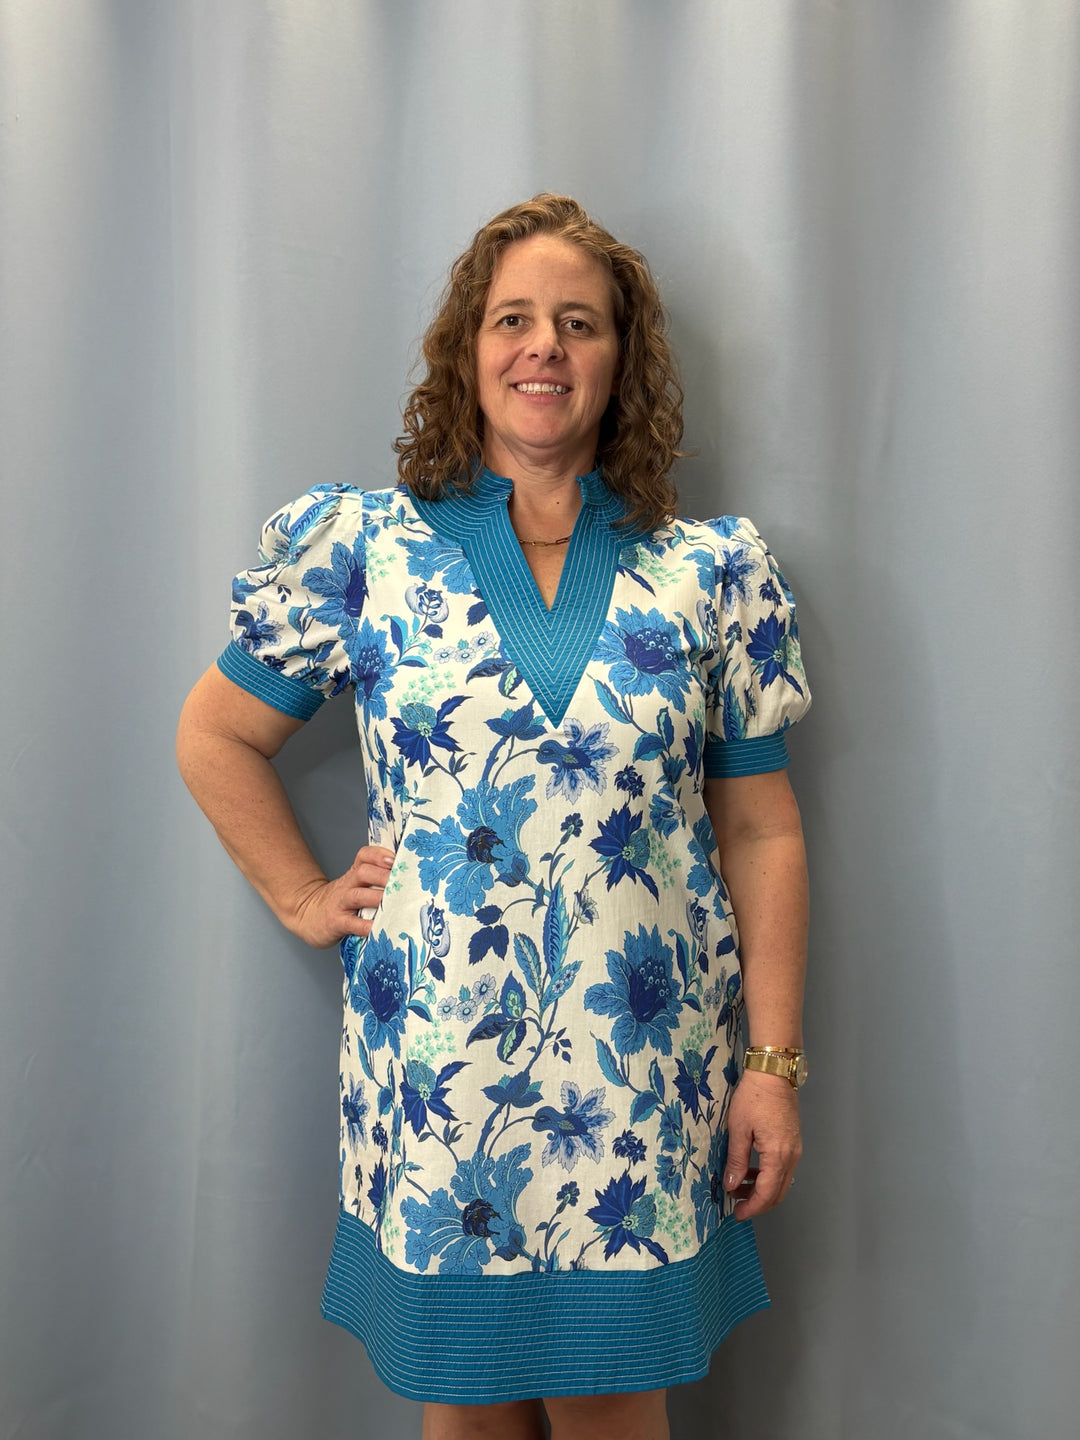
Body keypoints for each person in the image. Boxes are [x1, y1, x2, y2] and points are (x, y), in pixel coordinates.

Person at [177, 193, 811, 1440]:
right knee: (465, 1415)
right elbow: (217, 734)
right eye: (513, 319)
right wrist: (304, 896)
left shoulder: (711, 571)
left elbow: (763, 832)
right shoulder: (367, 551)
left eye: (579, 323)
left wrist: (773, 1066)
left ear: (623, 361)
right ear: (466, 351)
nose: (544, 348)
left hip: (640, 1086)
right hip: (443, 1085)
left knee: (612, 1409)